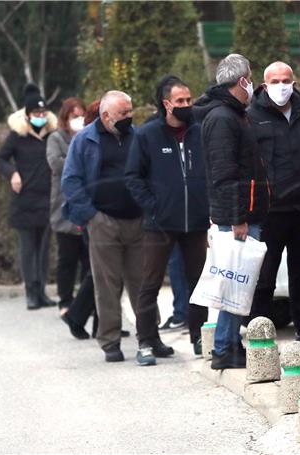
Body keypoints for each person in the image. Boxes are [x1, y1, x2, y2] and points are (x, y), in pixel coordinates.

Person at [246, 61, 300, 350]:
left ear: (294, 82)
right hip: (268, 211)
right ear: (264, 84)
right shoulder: (251, 116)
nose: (282, 86)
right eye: (275, 81)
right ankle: (258, 329)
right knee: (265, 273)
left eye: (287, 80)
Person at [125, 75, 210, 366]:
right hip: (160, 224)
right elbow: (133, 177)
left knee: (198, 282)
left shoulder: (199, 132)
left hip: (196, 222)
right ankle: (146, 342)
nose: (187, 105)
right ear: (166, 104)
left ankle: (200, 337)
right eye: (181, 101)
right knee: (149, 283)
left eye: (189, 100)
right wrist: (153, 208)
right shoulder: (147, 135)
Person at [196, 53, 269, 370]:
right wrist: (238, 217)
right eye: (251, 77)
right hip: (238, 216)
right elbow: (225, 173)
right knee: (234, 282)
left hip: (245, 211)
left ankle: (230, 343)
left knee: (239, 281)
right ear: (242, 81)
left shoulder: (235, 113)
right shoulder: (223, 118)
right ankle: (225, 347)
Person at [61, 90, 142, 362]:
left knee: (142, 283)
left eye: (130, 112)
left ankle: (149, 337)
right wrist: (92, 216)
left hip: (137, 220)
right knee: (107, 285)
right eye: (123, 114)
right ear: (106, 116)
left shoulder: (137, 137)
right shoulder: (85, 140)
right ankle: (110, 342)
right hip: (103, 221)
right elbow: (70, 180)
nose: (129, 118)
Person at [0, 83, 57, 310]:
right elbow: (0, 159)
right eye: (36, 113)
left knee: (43, 250)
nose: (40, 117)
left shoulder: (52, 135)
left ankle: (41, 291)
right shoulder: (17, 137)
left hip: (46, 200)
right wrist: (12, 173)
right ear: (28, 114)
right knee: (27, 250)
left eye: (43, 113)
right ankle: (30, 293)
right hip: (24, 201)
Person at [47, 97, 87, 313]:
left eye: (81, 116)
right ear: (65, 118)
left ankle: (84, 303)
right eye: (74, 116)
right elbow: (56, 164)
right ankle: (65, 301)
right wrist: (78, 162)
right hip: (63, 206)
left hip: (85, 205)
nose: (78, 120)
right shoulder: (56, 138)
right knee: (67, 259)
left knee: (87, 260)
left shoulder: (88, 137)